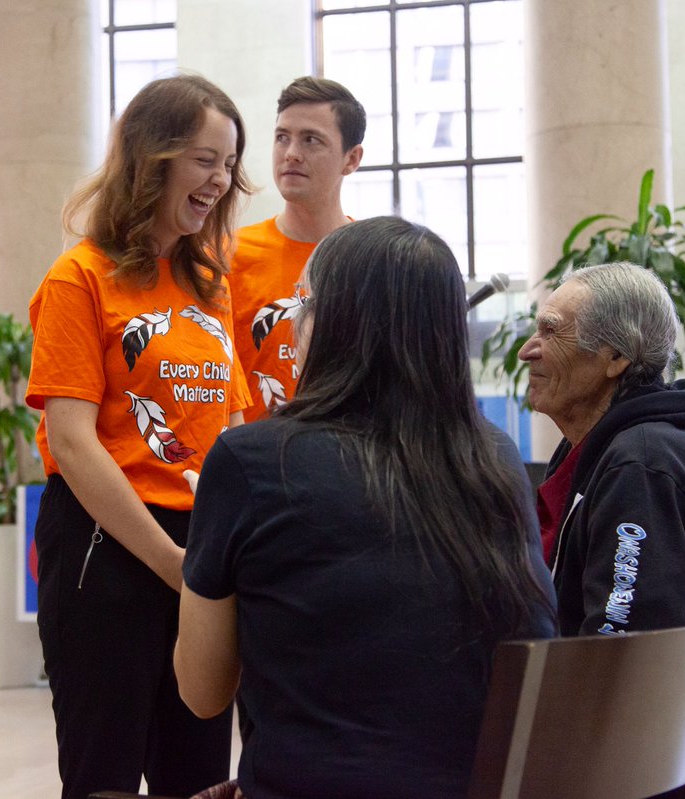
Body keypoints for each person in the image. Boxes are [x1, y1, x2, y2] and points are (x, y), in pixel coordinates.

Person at [176, 216, 558, 799]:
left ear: (336, 324)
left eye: (301, 303)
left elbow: (202, 691)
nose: (293, 325)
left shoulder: (251, 459)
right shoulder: (496, 461)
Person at [25, 73, 253, 799]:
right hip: (108, 547)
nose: (220, 180)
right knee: (105, 776)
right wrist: (171, 563)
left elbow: (231, 427)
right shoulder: (79, 278)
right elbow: (72, 440)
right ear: (152, 157)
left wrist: (221, 554)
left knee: (200, 774)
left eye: (227, 164)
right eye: (204, 159)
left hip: (201, 546)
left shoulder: (211, 285)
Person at [518, 261, 685, 637]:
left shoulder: (641, 465)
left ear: (616, 357)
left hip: (644, 694)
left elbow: (623, 658)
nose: (526, 350)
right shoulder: (603, 450)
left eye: (550, 331)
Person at [230, 76, 364, 421]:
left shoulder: (372, 259)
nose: (291, 154)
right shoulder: (228, 255)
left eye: (310, 140)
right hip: (254, 461)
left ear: (351, 159)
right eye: (282, 138)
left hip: (349, 458)